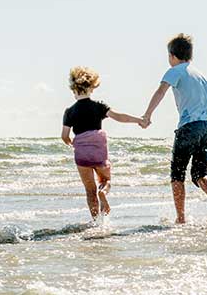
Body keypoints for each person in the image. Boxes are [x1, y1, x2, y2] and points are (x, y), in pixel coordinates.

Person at [139, 33, 207, 223]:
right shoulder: (200, 76)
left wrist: (147, 114)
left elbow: (160, 91)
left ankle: (181, 218)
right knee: (200, 173)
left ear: (172, 56)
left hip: (190, 127)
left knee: (178, 173)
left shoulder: (175, 70)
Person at [60, 66, 147, 220]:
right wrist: (139, 120)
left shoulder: (69, 111)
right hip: (98, 150)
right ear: (92, 88)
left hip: (81, 153)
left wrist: (73, 143)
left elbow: (64, 136)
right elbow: (119, 117)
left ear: (74, 89)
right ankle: (103, 192)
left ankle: (96, 222)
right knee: (106, 180)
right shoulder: (98, 106)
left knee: (89, 190)